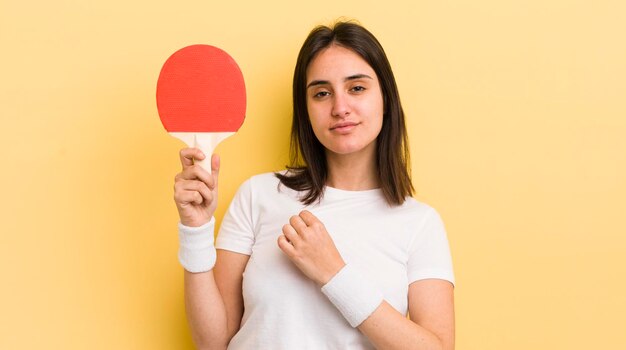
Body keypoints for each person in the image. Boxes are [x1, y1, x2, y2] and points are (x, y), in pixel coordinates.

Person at [173, 21, 455, 350]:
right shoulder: (257, 195)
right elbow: (212, 343)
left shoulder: (419, 223)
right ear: (306, 109)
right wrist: (195, 229)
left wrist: (333, 273)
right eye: (321, 93)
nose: (340, 108)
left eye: (357, 88)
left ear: (386, 98)